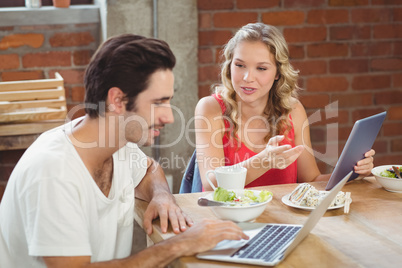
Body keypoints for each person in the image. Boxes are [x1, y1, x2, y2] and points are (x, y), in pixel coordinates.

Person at [0, 34, 248, 267]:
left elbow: (150, 169)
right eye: (158, 102)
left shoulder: (115, 143)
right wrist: (179, 245)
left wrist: (161, 195)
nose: (170, 116)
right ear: (117, 100)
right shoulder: (52, 172)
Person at [195, 23, 375, 191]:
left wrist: (351, 174)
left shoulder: (293, 111)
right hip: (229, 221)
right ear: (229, 66)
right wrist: (263, 162)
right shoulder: (210, 108)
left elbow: (311, 180)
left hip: (283, 221)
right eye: (240, 65)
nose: (247, 77)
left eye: (261, 68)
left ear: (277, 73)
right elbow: (211, 184)